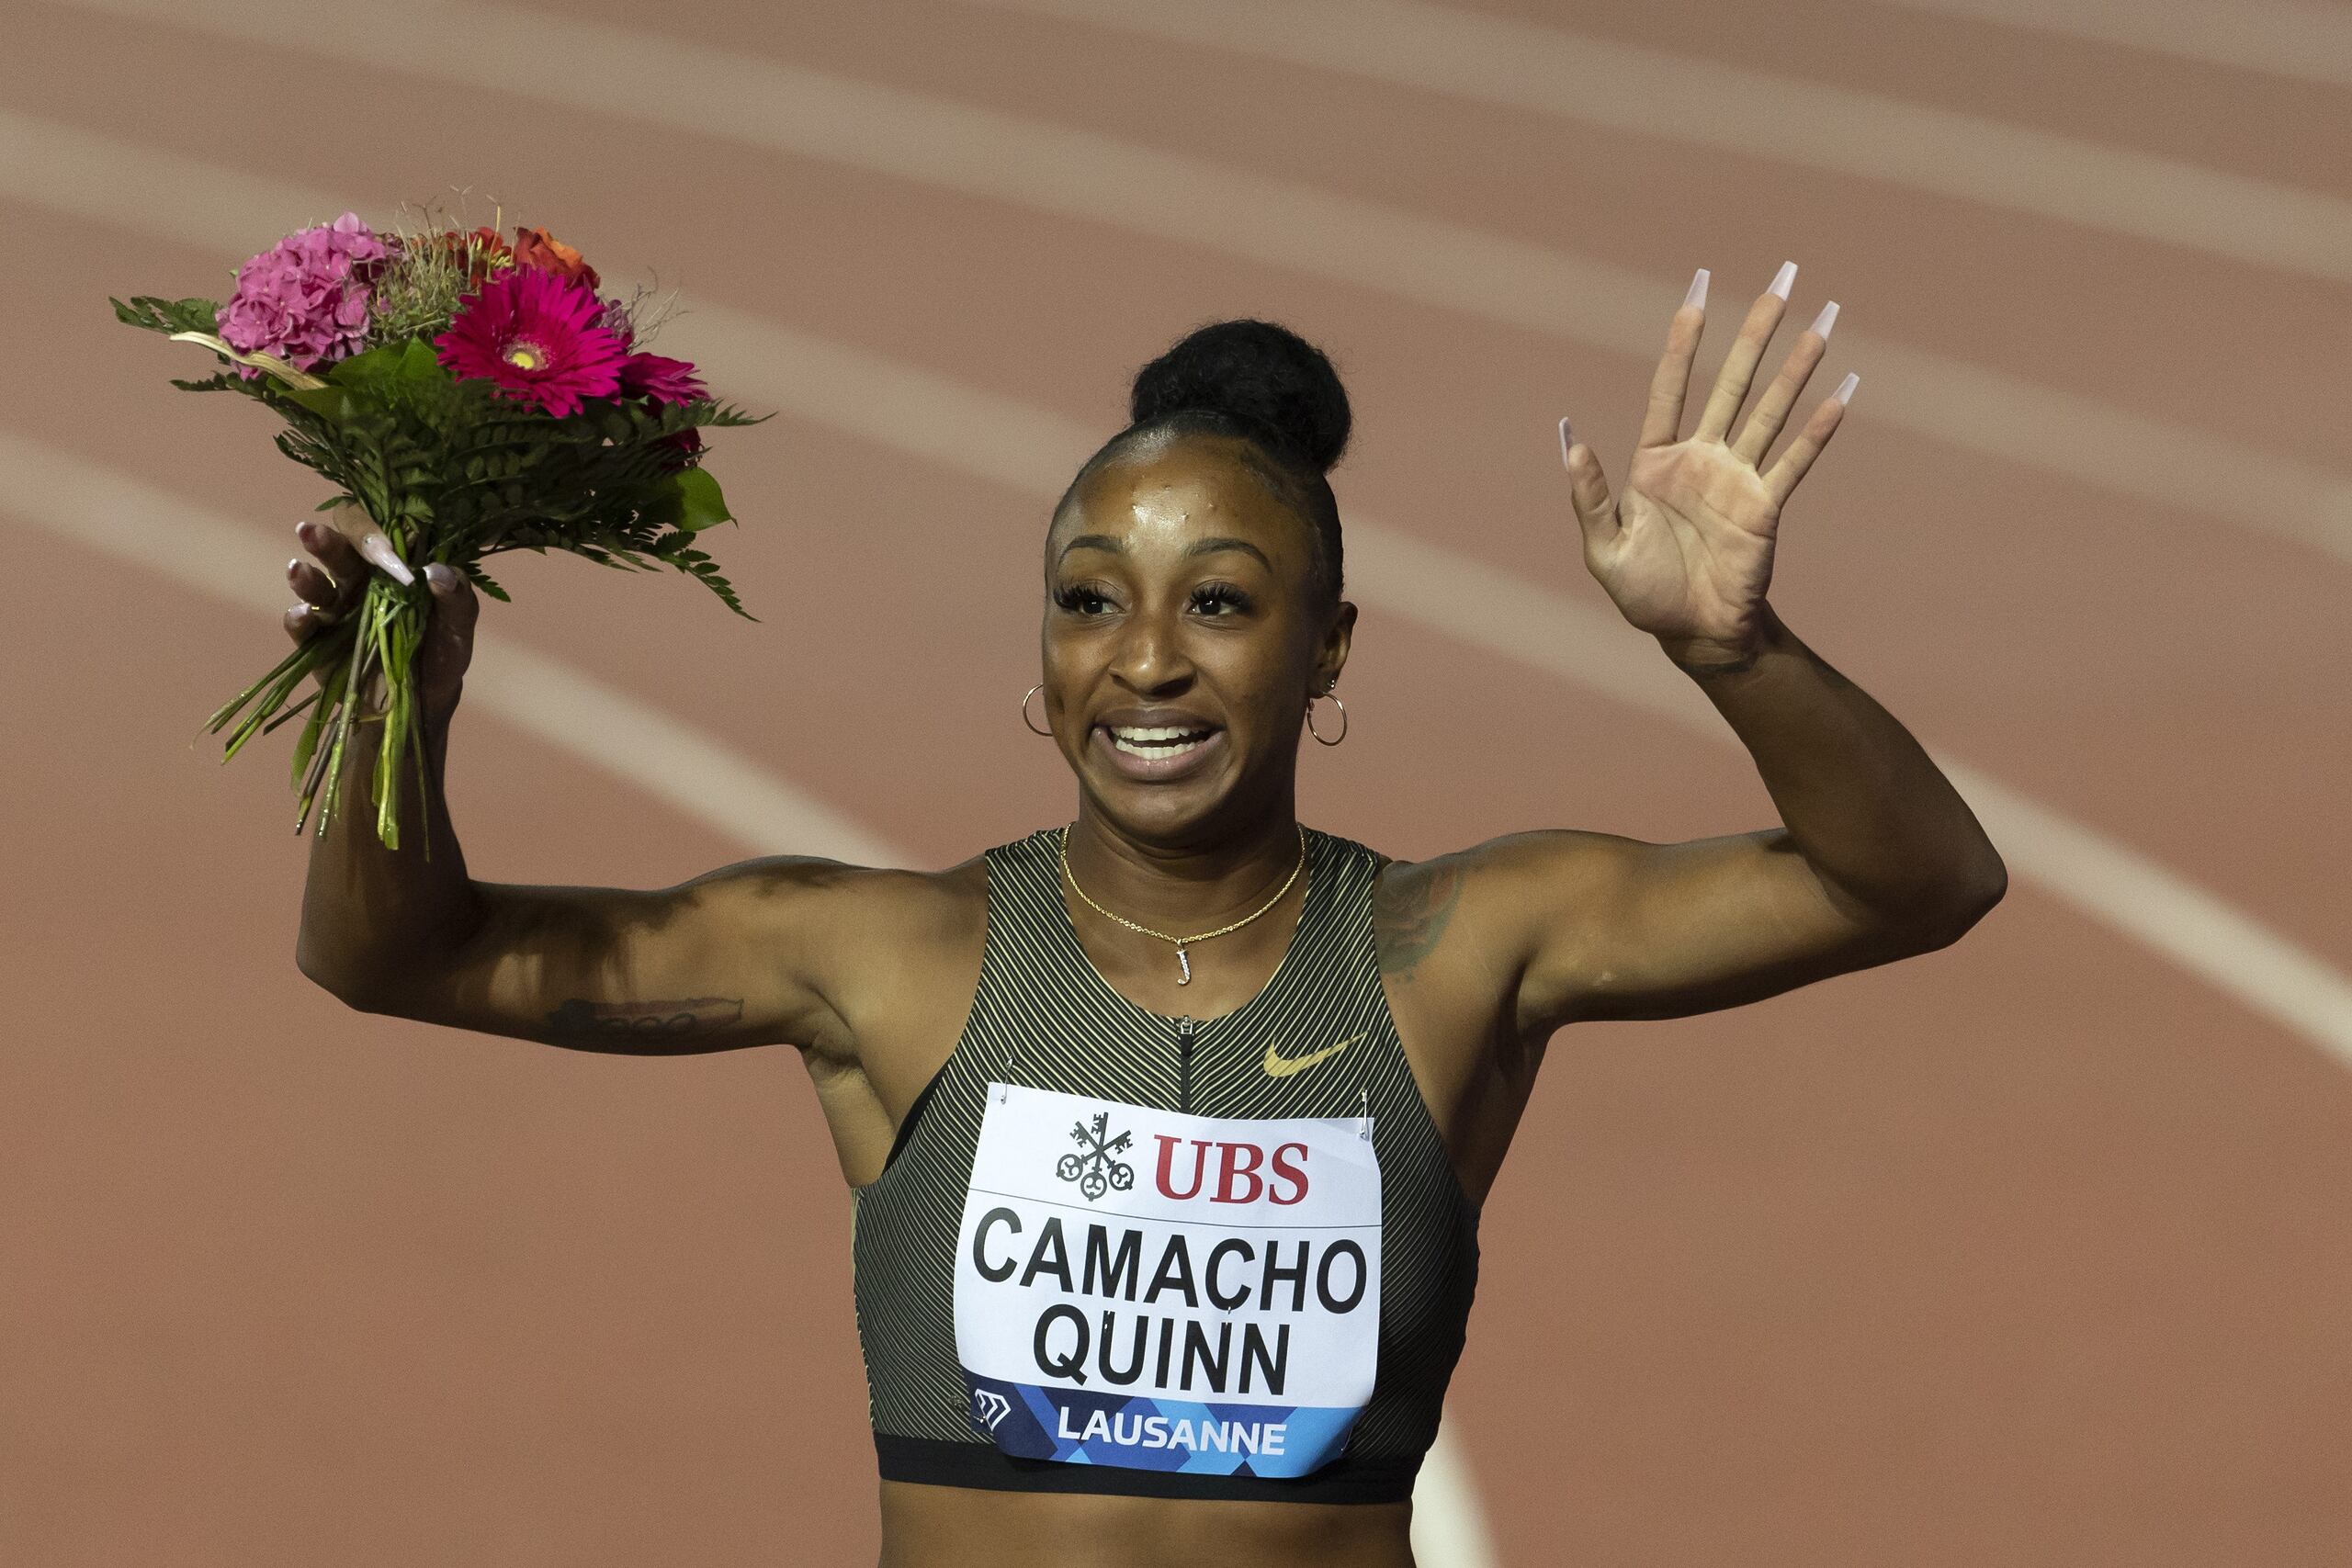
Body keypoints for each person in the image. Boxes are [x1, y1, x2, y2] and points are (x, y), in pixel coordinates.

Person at [285, 265, 2006, 1567]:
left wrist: (1732, 651)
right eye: (1092, 601)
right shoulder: (890, 960)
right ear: (1040, 658)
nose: (1150, 660)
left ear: (1331, 647)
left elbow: (1915, 881)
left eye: (1224, 603)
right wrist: (394, 690)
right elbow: (396, 953)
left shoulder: (1456, 947)